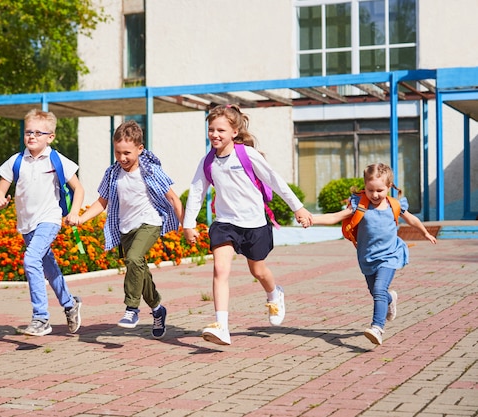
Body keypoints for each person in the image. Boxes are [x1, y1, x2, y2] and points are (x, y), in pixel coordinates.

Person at [183, 104, 313, 346]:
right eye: (211, 129)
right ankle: (221, 325)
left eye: (220, 130)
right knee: (220, 270)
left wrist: (298, 207)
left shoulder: (247, 155)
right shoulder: (208, 161)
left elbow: (275, 180)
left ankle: (275, 294)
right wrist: (188, 224)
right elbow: (196, 191)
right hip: (225, 224)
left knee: (258, 271)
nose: (214, 134)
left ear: (234, 132)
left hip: (254, 224)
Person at [70, 120, 184, 339]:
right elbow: (102, 202)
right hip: (125, 228)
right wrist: (81, 219)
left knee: (133, 259)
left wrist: (186, 225)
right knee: (139, 268)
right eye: (118, 152)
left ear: (140, 149)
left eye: (127, 153)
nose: (122, 158)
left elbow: (173, 198)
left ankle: (132, 309)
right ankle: (158, 308)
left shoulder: (150, 171)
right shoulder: (113, 173)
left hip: (150, 222)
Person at [312, 163, 437, 345]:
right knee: (376, 292)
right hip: (367, 257)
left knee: (378, 289)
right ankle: (390, 299)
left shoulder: (394, 205)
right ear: (365, 186)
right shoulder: (359, 204)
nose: (375, 195)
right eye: (370, 190)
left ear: (389, 187)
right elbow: (335, 216)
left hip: (390, 255)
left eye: (380, 190)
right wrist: (312, 219)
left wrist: (424, 232)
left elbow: (411, 218)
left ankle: (377, 328)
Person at [0, 109, 84, 337]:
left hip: (49, 219)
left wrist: (73, 213)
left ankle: (41, 318)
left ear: (50, 137)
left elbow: (79, 188)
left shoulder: (56, 160)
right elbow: (0, 191)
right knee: (49, 267)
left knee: (31, 259)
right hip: (27, 224)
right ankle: (70, 303)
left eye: (38, 133)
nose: (32, 136)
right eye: (28, 132)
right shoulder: (16, 161)